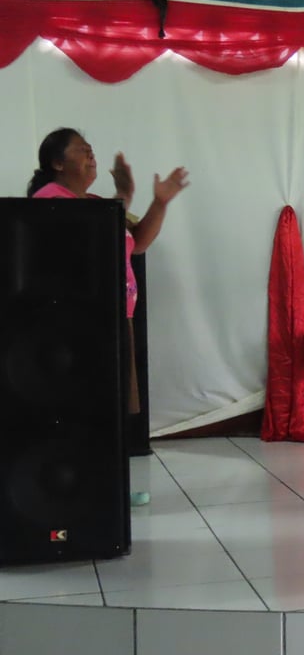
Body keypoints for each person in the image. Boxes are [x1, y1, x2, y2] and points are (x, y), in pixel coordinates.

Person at [28, 128, 189, 504]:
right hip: (80, 324)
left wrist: (158, 201)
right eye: (82, 151)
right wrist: (122, 199)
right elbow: (81, 243)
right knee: (85, 407)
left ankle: (109, 486)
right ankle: (83, 489)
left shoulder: (97, 202)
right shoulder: (50, 198)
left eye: (92, 150)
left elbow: (139, 242)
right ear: (56, 163)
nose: (91, 156)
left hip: (117, 317)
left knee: (112, 408)